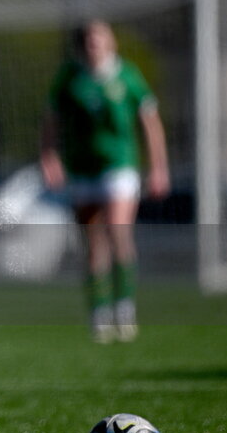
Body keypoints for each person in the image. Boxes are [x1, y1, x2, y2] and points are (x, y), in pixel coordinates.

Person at [39, 20, 170, 344]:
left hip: (120, 167)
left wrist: (158, 167)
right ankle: (99, 313)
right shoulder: (70, 77)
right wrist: (49, 156)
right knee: (93, 243)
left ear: (110, 42)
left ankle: (124, 308)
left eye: (99, 39)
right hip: (82, 170)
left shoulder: (126, 76)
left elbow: (150, 122)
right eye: (87, 40)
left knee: (118, 232)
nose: (93, 44)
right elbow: (51, 119)